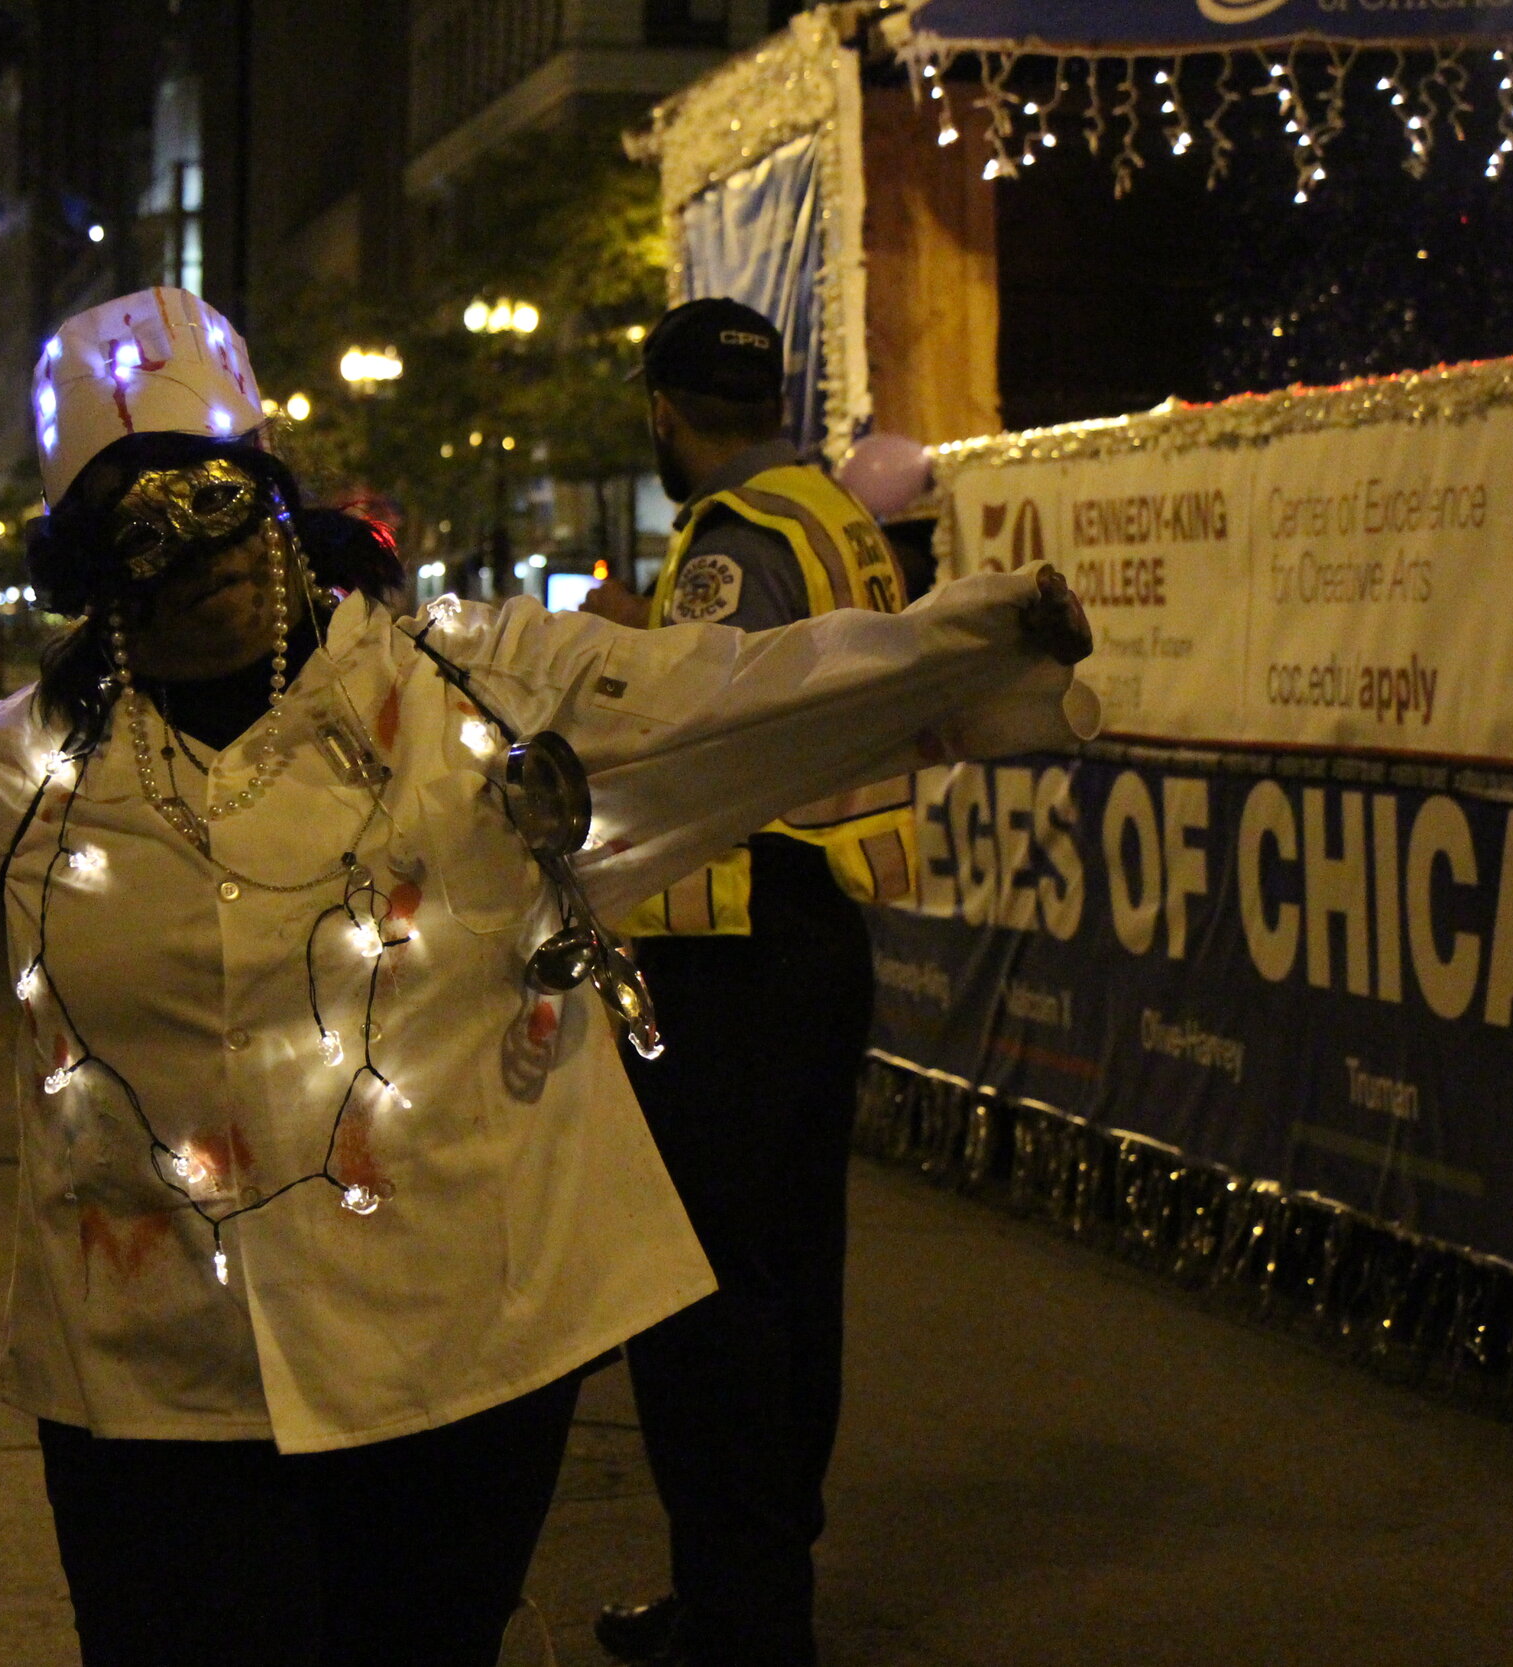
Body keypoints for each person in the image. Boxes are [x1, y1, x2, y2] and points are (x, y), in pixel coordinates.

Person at [0, 290, 1094, 1667]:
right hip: (151, 1372)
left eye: (220, 503)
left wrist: (990, 638)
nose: (195, 552)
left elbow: (739, 691)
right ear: (90, 566)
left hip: (456, 1348)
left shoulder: (479, 693)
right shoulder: (23, 779)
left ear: (279, 504)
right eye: (137, 525)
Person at [581, 300, 916, 1667]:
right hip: (821, 938)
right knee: (791, 1271)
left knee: (702, 1289)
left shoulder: (731, 544)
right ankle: (755, 1585)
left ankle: (740, 1612)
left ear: (664, 408)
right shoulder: (832, 515)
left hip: (730, 943)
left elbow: (702, 724)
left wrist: (621, 649)